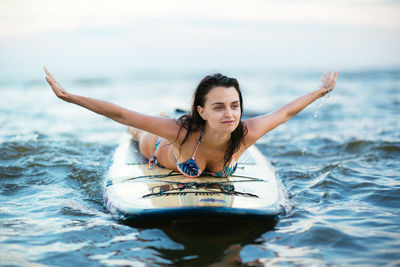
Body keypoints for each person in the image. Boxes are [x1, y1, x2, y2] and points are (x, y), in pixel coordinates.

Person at [44, 67, 338, 178]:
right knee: (136, 128)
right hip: (157, 147)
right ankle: (159, 115)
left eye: (235, 106)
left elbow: (284, 112)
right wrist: (70, 97)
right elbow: (123, 114)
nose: (230, 115)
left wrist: (322, 91)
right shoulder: (181, 131)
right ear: (202, 111)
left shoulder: (246, 132)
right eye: (219, 107)